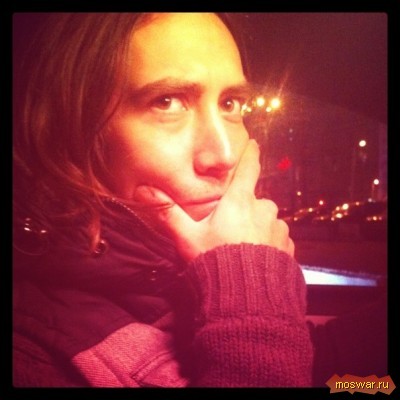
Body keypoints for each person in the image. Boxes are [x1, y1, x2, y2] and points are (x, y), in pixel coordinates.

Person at [12, 12, 386, 388]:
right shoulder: (29, 354)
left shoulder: (170, 284)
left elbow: (315, 366)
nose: (224, 154)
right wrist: (248, 287)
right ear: (69, 137)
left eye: (231, 104)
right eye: (167, 102)